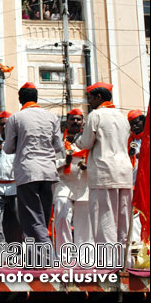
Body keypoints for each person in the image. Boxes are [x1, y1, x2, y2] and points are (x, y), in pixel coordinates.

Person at [76, 82, 133, 265]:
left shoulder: (96, 115)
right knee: (123, 221)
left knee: (104, 219)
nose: (89, 102)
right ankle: (124, 262)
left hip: (104, 173)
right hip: (124, 173)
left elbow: (85, 143)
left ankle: (108, 263)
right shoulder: (122, 117)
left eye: (91, 98)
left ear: (99, 97)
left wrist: (75, 141)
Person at [3, 83, 63, 252]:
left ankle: (46, 253)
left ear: (21, 99)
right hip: (49, 171)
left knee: (31, 217)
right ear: (36, 98)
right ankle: (34, 257)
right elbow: (58, 146)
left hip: (27, 171)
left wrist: (20, 143)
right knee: (42, 216)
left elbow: (8, 149)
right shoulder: (52, 117)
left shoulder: (15, 118)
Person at [53, 109, 92, 261]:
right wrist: (65, 162)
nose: (75, 122)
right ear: (67, 121)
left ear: (83, 122)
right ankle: (64, 256)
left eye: (78, 119)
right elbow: (51, 162)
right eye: (72, 119)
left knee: (84, 223)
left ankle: (85, 257)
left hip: (84, 184)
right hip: (64, 183)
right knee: (62, 215)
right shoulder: (59, 142)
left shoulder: (89, 140)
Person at [0, 111, 22, 244]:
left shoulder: (19, 141)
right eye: (1, 124)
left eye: (7, 124)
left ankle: (17, 251)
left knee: (18, 220)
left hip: (14, 186)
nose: (4, 127)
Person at [127, 109, 145, 184]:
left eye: (136, 123)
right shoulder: (131, 139)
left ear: (143, 121)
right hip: (135, 179)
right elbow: (132, 153)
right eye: (131, 125)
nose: (134, 126)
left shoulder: (147, 137)